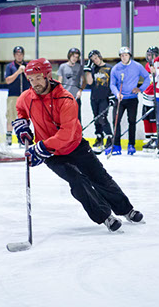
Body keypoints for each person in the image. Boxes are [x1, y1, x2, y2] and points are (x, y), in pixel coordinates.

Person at [12, 58, 144, 232]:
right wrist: (22, 125)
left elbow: (66, 134)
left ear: (47, 75)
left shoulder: (65, 99)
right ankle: (105, 216)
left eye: (38, 78)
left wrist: (41, 147)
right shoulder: (26, 97)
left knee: (100, 178)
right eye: (31, 79)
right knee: (77, 182)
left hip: (74, 146)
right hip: (52, 155)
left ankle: (126, 210)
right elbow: (20, 109)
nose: (34, 83)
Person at [105, 47, 150, 156]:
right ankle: (116, 145)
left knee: (132, 121)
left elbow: (147, 78)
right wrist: (117, 94)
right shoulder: (116, 68)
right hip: (120, 99)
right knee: (116, 121)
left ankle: (131, 145)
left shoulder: (137, 66)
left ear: (129, 55)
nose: (124, 57)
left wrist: (140, 89)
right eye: (121, 55)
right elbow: (112, 84)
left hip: (132, 99)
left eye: (125, 55)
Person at [84, 50, 115, 153]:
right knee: (96, 118)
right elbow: (89, 82)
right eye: (93, 60)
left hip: (105, 97)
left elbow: (113, 83)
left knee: (102, 117)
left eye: (96, 58)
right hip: (94, 97)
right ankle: (99, 137)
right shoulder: (93, 69)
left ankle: (110, 137)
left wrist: (112, 96)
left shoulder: (110, 68)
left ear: (100, 56)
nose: (95, 61)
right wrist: (87, 70)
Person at [4, 46, 30, 145]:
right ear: (14, 55)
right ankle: (9, 136)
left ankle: (22, 137)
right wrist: (18, 72)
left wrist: (25, 73)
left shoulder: (27, 66)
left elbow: (31, 80)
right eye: (17, 54)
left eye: (21, 54)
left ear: (23, 55)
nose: (19, 56)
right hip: (13, 95)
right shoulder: (10, 66)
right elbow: (8, 80)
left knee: (24, 117)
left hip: (25, 95)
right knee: (11, 115)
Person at [57, 48, 86, 122]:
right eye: (73, 56)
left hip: (76, 96)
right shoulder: (62, 67)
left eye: (76, 57)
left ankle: (78, 132)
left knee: (77, 117)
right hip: (65, 96)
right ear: (69, 56)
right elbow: (59, 82)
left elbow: (84, 81)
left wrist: (80, 91)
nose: (75, 59)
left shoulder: (79, 67)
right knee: (64, 117)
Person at [141, 46, 159, 152]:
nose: (150, 57)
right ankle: (149, 138)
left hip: (155, 96)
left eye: (152, 55)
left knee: (154, 119)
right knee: (146, 118)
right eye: (149, 55)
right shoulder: (147, 66)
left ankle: (155, 139)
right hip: (146, 96)